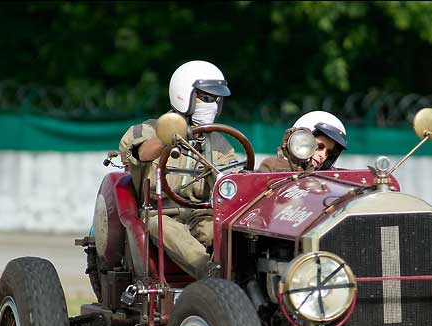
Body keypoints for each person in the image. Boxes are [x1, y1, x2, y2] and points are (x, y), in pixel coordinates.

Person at [119, 60, 236, 278]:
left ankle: (240, 279)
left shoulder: (221, 143)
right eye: (205, 97)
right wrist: (170, 134)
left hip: (201, 214)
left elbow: (230, 183)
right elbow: (140, 153)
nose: (211, 104)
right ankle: (211, 276)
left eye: (216, 99)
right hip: (161, 213)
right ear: (184, 96)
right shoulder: (146, 129)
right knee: (161, 226)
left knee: (228, 231)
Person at [258, 110, 348, 172]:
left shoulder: (331, 178)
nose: (323, 155)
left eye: (329, 153)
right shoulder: (272, 166)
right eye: (320, 146)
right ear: (301, 139)